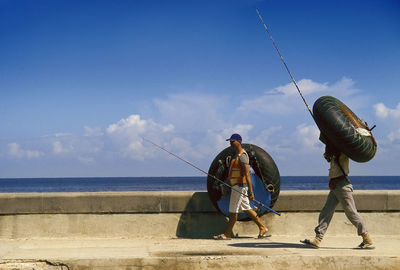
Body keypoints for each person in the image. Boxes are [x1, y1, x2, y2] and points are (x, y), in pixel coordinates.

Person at [301, 139, 373, 249]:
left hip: (342, 186)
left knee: (351, 213)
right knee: (326, 211)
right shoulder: (334, 154)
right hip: (336, 187)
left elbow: (341, 150)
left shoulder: (343, 153)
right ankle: (318, 239)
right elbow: (328, 157)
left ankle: (366, 237)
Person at [213, 133, 269, 240]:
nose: (230, 143)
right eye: (230, 141)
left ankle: (227, 234)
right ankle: (262, 227)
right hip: (236, 186)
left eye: (232, 141)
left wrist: (251, 192)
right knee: (246, 208)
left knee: (234, 211)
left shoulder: (243, 156)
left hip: (240, 187)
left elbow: (247, 174)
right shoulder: (236, 155)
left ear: (239, 142)